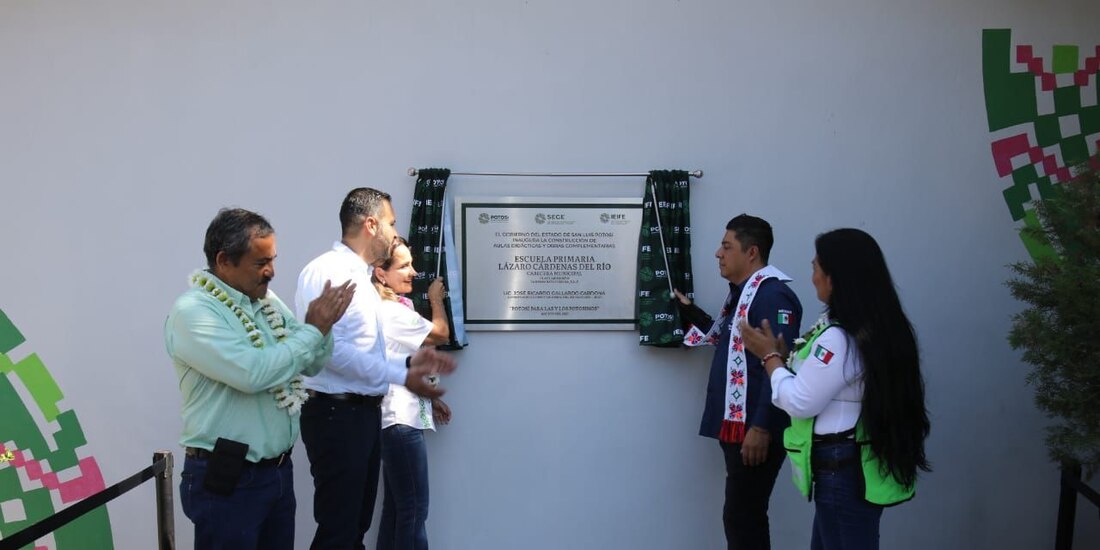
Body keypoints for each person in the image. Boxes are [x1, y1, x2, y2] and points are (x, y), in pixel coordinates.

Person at [166, 208, 355, 549]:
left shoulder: (266, 302)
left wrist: (322, 329)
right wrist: (314, 329)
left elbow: (312, 363)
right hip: (230, 476)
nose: (271, 271)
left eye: (272, 259)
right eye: (260, 262)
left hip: (277, 472)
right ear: (223, 261)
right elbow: (252, 373)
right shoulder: (194, 311)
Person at [740, 228, 931, 550]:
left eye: (816, 267)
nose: (812, 276)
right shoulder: (868, 327)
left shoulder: (839, 338)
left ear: (835, 277)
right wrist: (784, 360)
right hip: (847, 465)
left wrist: (770, 358)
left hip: (841, 471)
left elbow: (800, 401)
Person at [295, 187, 457, 549]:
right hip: (337, 413)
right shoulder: (331, 272)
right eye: (391, 223)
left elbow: (366, 351)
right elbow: (328, 350)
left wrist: (407, 366)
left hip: (361, 413)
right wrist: (403, 375)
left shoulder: (361, 278)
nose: (393, 232)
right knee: (340, 532)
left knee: (354, 530)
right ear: (371, 224)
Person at [674, 214, 802, 550]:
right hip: (740, 428)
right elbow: (730, 340)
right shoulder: (743, 294)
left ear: (752, 253)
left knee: (744, 517)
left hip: (754, 430)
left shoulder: (773, 296)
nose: (718, 253)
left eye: (727, 246)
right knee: (742, 516)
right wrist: (690, 312)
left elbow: (778, 361)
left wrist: (761, 427)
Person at [372, 237, 452, 550]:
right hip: (400, 424)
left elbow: (404, 363)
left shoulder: (390, 310)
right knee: (414, 510)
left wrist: (432, 397)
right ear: (381, 273)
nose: (413, 272)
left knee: (397, 510)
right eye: (404, 266)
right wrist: (435, 300)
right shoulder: (392, 312)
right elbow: (440, 335)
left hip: (396, 420)